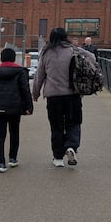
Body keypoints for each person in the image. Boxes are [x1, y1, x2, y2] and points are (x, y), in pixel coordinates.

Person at [31, 27, 98, 168]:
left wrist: (35, 93)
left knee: (56, 126)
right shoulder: (73, 50)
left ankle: (58, 158)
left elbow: (39, 75)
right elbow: (92, 57)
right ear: (65, 37)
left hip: (53, 96)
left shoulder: (46, 53)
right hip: (72, 94)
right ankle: (71, 146)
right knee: (73, 122)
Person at [0, 47, 33, 173]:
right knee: (14, 132)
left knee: (0, 135)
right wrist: (29, 106)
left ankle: (0, 163)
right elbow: (25, 90)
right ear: (13, 58)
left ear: (1, 58)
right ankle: (12, 159)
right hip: (15, 108)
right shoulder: (20, 71)